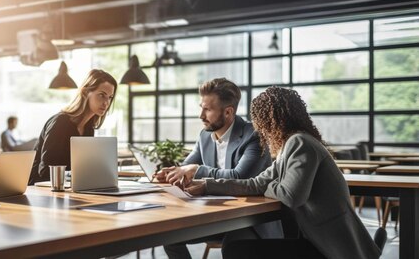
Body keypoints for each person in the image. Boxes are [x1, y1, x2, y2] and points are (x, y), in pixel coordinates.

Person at [183, 87, 381, 259]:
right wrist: (208, 185)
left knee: (237, 249)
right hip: (318, 240)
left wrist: (270, 186)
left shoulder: (300, 143)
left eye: (261, 122)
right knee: (237, 245)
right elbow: (254, 183)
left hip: (330, 248)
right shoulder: (290, 145)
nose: (260, 130)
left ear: (272, 120)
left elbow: (292, 196)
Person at [154, 78, 280, 258]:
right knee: (169, 236)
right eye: (201, 107)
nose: (201, 115)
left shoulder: (254, 135)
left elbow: (240, 176)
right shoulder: (205, 136)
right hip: (215, 215)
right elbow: (186, 166)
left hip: (249, 221)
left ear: (228, 112)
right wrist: (170, 173)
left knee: (233, 244)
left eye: (208, 109)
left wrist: (196, 170)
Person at [28, 69, 117, 185]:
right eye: (101, 95)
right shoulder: (60, 123)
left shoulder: (88, 128)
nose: (106, 103)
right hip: (39, 189)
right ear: (85, 93)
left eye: (110, 97)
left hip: (67, 189)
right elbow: (45, 171)